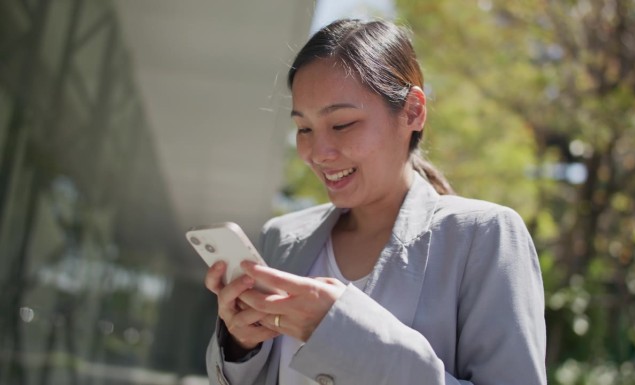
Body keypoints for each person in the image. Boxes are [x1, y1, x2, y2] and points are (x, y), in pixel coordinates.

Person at [204, 18, 546, 385]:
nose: (318, 153)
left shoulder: (482, 237)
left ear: (413, 112)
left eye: (342, 124)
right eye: (304, 129)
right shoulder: (281, 239)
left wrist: (343, 334)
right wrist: (240, 345)